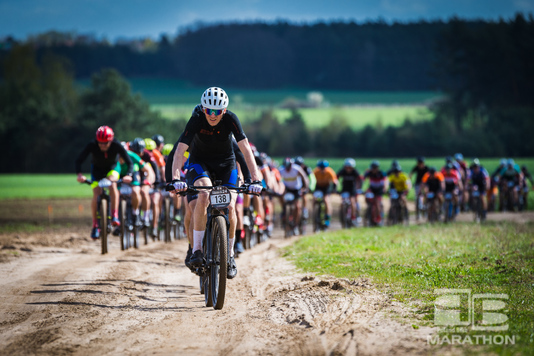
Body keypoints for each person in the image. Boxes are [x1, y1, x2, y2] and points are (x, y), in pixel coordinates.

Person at [170, 87, 262, 280]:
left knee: (230, 205)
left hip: (226, 164)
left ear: (224, 110)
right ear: (203, 109)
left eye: (217, 111)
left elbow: (245, 150)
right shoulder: (196, 118)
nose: (213, 115)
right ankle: (196, 250)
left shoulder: (231, 119)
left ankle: (229, 256)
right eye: (209, 110)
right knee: (203, 195)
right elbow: (179, 152)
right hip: (200, 162)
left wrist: (256, 179)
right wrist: (176, 179)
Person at [75, 126, 133, 239]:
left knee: (113, 184)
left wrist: (129, 175)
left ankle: (114, 215)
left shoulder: (117, 145)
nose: (102, 145)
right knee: (96, 193)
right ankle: (95, 225)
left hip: (113, 169)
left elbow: (129, 163)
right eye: (100, 143)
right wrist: (79, 175)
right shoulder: (92, 145)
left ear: (111, 140)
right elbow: (79, 160)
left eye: (105, 143)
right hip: (96, 170)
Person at [279, 157, 310, 235]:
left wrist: (305, 188)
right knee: (281, 197)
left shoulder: (296, 169)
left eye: (289, 167)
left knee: (297, 206)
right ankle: (284, 211)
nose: (287, 169)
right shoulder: (281, 170)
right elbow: (278, 179)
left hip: (296, 189)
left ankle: (295, 224)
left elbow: (304, 178)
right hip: (287, 188)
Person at [336, 158, 363, 225]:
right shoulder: (342, 171)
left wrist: (359, 188)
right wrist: (335, 187)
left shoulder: (355, 172)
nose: (348, 169)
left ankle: (353, 217)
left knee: (352, 201)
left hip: (352, 189)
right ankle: (343, 215)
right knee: (343, 202)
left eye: (349, 167)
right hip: (345, 188)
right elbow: (336, 178)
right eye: (346, 167)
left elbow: (360, 180)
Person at [313, 160, 338, 227]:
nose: (322, 170)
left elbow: (335, 181)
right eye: (320, 168)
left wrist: (334, 189)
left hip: (326, 187)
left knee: (326, 201)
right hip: (318, 187)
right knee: (314, 199)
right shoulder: (315, 172)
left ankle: (327, 217)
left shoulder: (330, 172)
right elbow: (312, 181)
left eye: (323, 168)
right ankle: (315, 214)